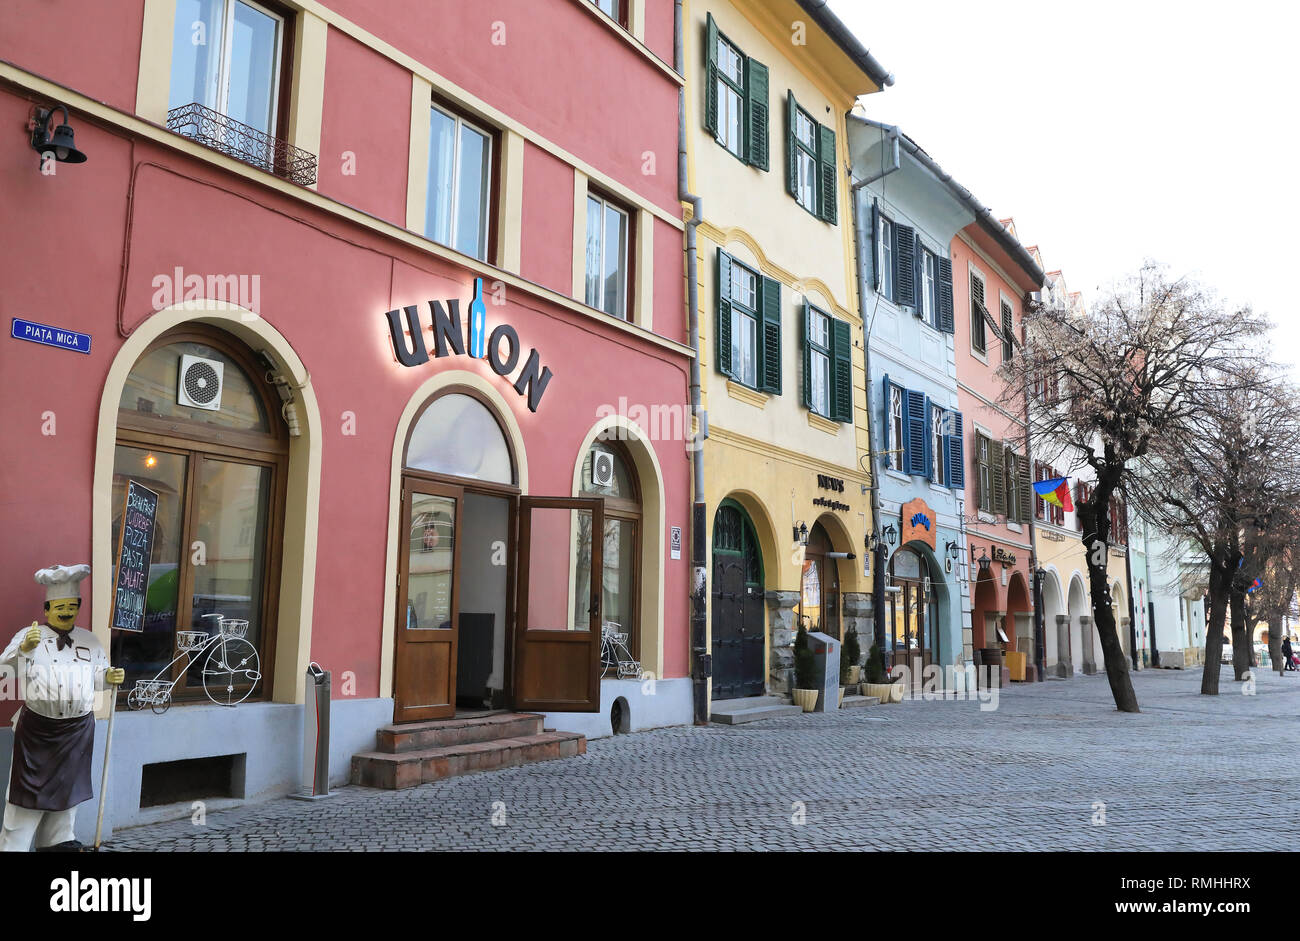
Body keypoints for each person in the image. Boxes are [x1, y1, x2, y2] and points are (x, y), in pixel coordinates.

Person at [0, 564, 124, 851]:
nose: (66, 611)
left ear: (78, 607)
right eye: (59, 606)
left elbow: (95, 677)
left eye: (71, 605)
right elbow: (7, 670)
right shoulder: (28, 635)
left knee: (67, 800)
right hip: (38, 733)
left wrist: (107, 678)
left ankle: (57, 846)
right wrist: (26, 649)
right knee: (24, 803)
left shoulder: (90, 640)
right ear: (46, 609)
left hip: (77, 731)